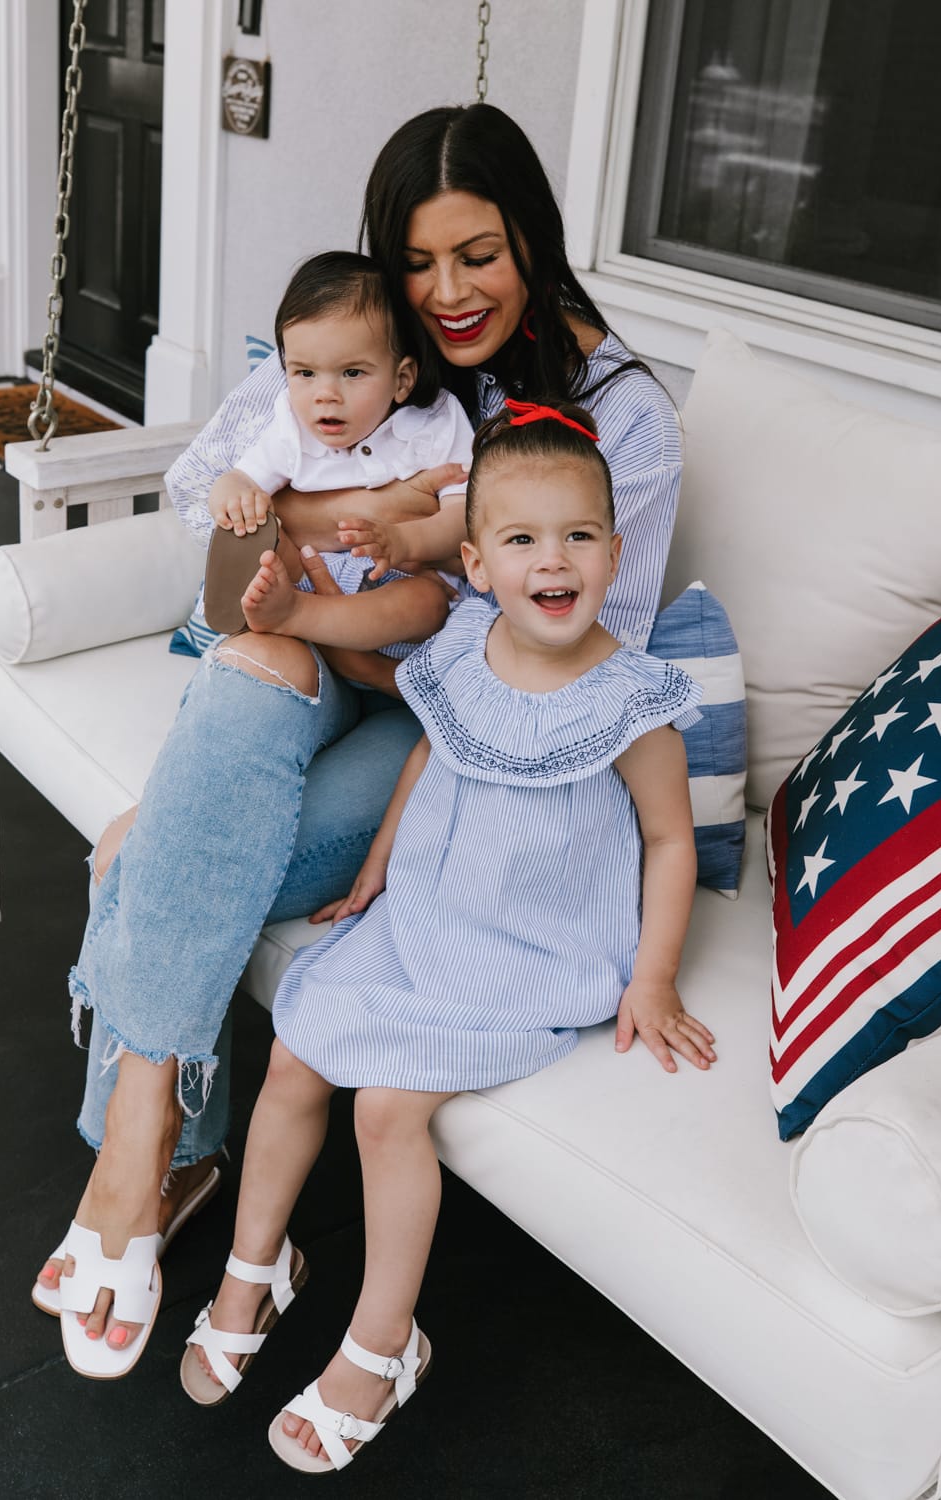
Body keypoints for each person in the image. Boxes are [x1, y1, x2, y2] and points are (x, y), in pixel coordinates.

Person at [33, 102, 685, 1376]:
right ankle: (139, 1157)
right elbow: (204, 493)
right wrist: (365, 509)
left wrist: (406, 571)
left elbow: (579, 645)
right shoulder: (376, 343)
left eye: (480, 255)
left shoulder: (625, 418)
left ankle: (156, 1170)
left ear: (536, 244)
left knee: (151, 858)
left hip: (458, 722)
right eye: (420, 262)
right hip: (330, 645)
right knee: (249, 665)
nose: (447, 294)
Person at [183, 403, 714, 1471]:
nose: (551, 561)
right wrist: (379, 865)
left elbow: (669, 841)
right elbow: (434, 756)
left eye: (577, 537)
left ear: (613, 552)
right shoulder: (466, 641)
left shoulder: (631, 701)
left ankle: (384, 1342)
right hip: (426, 912)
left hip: (530, 951)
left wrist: (652, 979)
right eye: (521, 540)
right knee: (295, 1051)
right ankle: (255, 1265)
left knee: (385, 1108)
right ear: (477, 560)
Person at [208, 249, 474, 614]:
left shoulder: (434, 422)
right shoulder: (291, 426)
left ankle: (314, 632)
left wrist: (402, 540)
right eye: (305, 373)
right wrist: (232, 495)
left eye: (352, 373)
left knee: (426, 602)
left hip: (397, 584)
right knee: (258, 535)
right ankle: (274, 618)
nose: (325, 396)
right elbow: (241, 479)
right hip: (307, 582)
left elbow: (463, 518)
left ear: (402, 380)